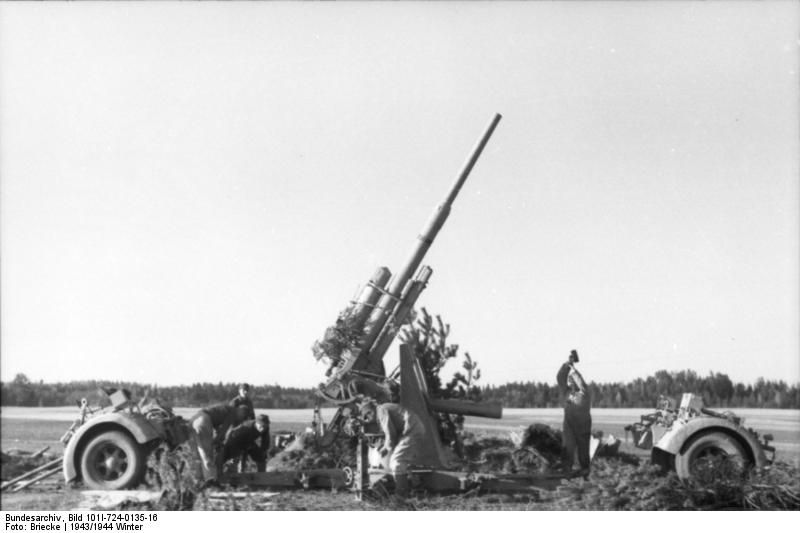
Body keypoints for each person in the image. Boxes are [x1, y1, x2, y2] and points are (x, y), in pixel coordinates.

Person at [360, 400, 426, 498]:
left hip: (411, 430)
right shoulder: (383, 408)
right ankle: (408, 490)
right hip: (411, 429)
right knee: (397, 461)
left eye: (366, 417)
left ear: (370, 412)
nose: (368, 420)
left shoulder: (381, 411)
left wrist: (385, 449)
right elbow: (392, 435)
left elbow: (390, 434)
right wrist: (385, 447)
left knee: (397, 460)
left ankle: (402, 496)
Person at [189, 403, 250, 486]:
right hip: (203, 420)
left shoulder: (225, 408)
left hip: (194, 418)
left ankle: (198, 480)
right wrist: (217, 442)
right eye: (243, 417)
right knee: (207, 453)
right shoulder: (232, 412)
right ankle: (211, 480)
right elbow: (223, 431)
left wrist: (217, 440)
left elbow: (217, 428)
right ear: (242, 412)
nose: (240, 420)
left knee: (196, 454)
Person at [556, 349, 592, 478]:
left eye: (572, 380)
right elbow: (560, 378)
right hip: (569, 424)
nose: (570, 381)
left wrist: (574, 371)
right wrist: (567, 365)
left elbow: (581, 383)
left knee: (583, 449)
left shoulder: (584, 393)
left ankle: (585, 471)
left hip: (583, 425)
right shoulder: (566, 392)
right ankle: (567, 470)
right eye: (569, 380)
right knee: (568, 447)